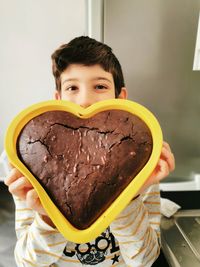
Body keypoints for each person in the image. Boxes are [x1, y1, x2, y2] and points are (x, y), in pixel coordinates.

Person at [4, 36, 175, 267]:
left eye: (100, 86)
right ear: (58, 99)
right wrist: (47, 217)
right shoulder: (29, 163)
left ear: (121, 98)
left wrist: (132, 196)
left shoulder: (139, 160)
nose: (85, 100)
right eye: (72, 87)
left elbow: (144, 260)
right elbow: (27, 263)